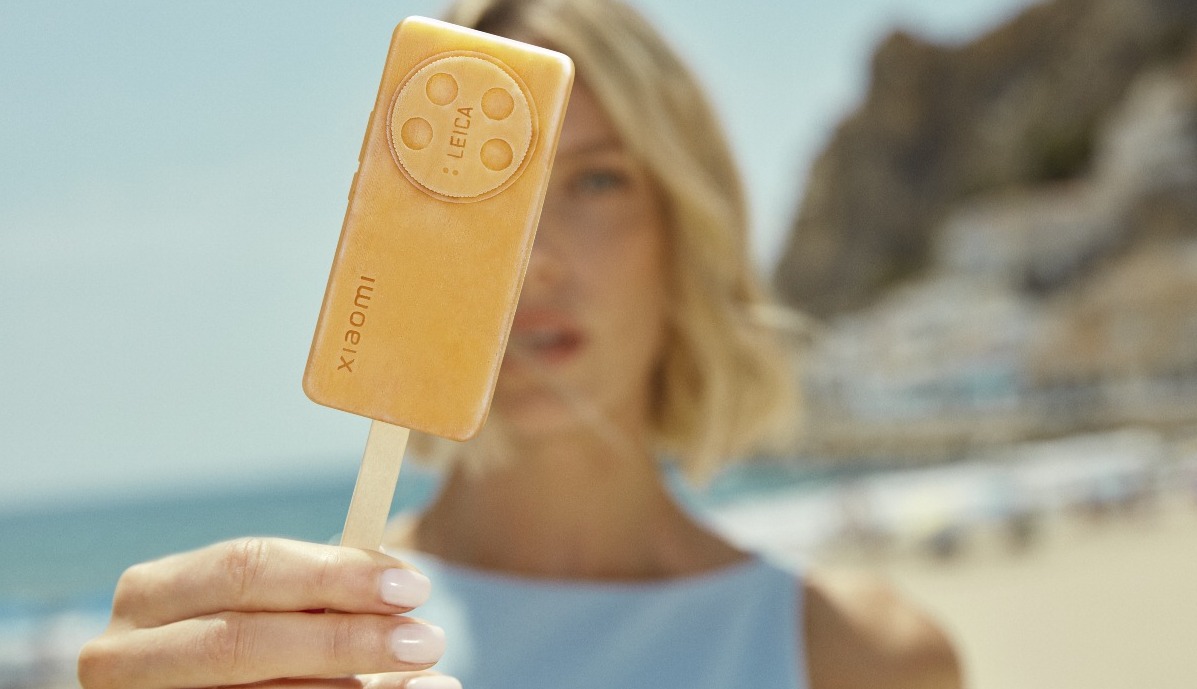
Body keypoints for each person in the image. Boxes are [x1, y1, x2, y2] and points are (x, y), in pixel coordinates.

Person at [78, 0, 962, 687]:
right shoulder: (300, 650)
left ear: (685, 226)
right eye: (491, 189)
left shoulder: (870, 661)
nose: (530, 259)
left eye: (596, 180)